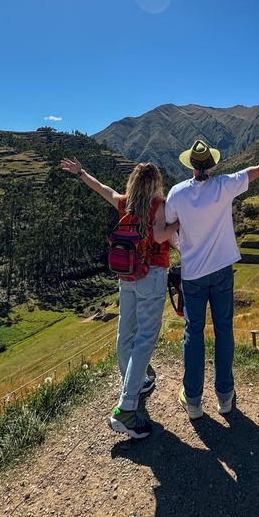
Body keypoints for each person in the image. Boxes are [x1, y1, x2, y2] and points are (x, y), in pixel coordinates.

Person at [154, 133, 259, 420]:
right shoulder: (224, 186)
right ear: (210, 164)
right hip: (223, 270)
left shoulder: (176, 194)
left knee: (193, 333)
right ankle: (225, 397)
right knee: (224, 331)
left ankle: (192, 400)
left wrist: (180, 232)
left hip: (193, 275)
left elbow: (163, 231)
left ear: (190, 164)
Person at [60, 156, 179, 439]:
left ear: (134, 183)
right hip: (151, 276)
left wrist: (81, 172)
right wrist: (178, 225)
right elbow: (161, 235)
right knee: (145, 340)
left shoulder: (125, 203)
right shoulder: (158, 205)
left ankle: (135, 384)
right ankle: (126, 408)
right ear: (156, 184)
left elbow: (102, 188)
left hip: (126, 277)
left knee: (125, 334)